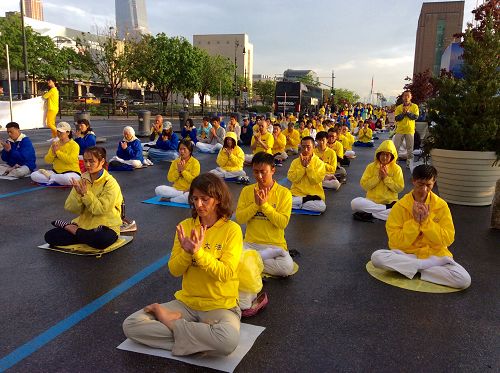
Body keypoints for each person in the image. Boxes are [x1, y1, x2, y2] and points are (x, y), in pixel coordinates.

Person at [123, 173, 243, 356]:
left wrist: (199, 253)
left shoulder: (231, 230)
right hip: (187, 304)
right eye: (195, 199)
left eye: (205, 199)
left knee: (228, 341)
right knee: (132, 325)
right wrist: (187, 254)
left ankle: (173, 325)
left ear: (218, 199)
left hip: (220, 306)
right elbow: (174, 270)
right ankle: (198, 338)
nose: (199, 204)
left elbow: (226, 273)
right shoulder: (185, 226)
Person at [371, 165, 471, 289]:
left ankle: (410, 268)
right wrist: (414, 223)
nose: (424, 189)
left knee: (464, 280)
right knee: (377, 257)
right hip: (407, 254)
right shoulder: (400, 206)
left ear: (434, 183)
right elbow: (395, 242)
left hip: (434, 257)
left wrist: (426, 223)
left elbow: (448, 239)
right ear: (413, 181)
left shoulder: (441, 205)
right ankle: (422, 268)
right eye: (420, 184)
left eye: (428, 185)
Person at [235, 152, 294, 307]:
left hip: (274, 246)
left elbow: (282, 223)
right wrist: (256, 205)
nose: (259, 176)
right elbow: (240, 218)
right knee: (232, 259)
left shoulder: (284, 193)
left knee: (287, 268)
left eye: (263, 172)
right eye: (255, 172)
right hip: (250, 243)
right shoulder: (247, 191)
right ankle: (255, 259)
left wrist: (265, 206)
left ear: (273, 170)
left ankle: (252, 261)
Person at [44, 146, 122, 250]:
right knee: (50, 236)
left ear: (102, 161)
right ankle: (83, 235)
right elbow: (71, 208)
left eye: (92, 161)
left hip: (105, 226)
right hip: (84, 225)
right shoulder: (82, 179)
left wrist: (86, 195)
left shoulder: (110, 183)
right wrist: (79, 195)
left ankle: (74, 230)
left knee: (101, 240)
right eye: (85, 161)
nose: (87, 165)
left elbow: (100, 210)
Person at [351, 140, 404, 222]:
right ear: (378, 154)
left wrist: (386, 178)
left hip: (389, 202)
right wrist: (378, 177)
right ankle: (384, 210)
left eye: (387, 155)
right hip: (371, 202)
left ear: (392, 156)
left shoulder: (397, 169)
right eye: (383, 154)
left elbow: (399, 188)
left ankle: (371, 214)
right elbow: (364, 185)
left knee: (400, 213)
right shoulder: (371, 167)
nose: (385, 157)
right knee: (354, 203)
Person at [287, 136, 326, 212]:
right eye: (303, 147)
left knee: (321, 207)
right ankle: (303, 201)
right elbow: (292, 178)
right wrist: (302, 167)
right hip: (296, 194)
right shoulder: (295, 162)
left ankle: (298, 204)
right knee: (282, 201)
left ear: (314, 147)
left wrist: (307, 167)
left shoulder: (319, 163)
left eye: (308, 147)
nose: (305, 150)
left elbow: (314, 180)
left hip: (313, 196)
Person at [393, 90, 419, 168]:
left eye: (408, 96)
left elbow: (415, 117)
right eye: (405, 96)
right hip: (400, 130)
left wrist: (407, 113)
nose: (406, 97)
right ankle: (394, 162)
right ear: (402, 97)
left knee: (410, 148)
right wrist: (403, 113)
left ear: (411, 97)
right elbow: (397, 118)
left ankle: (409, 163)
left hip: (410, 130)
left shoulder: (414, 106)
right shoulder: (399, 107)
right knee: (396, 147)